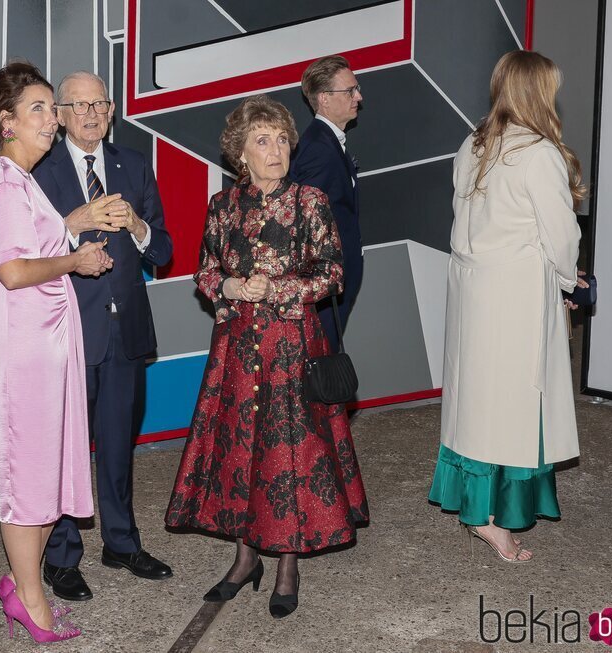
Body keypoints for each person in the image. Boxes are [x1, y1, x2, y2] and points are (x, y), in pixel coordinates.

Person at [165, 95, 369, 619]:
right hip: (236, 349)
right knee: (242, 452)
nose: (275, 149)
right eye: (263, 141)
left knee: (289, 457)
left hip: (292, 348)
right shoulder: (222, 206)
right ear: (241, 153)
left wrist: (276, 289)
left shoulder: (310, 201)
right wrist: (233, 285)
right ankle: (244, 558)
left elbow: (332, 274)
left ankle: (286, 563)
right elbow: (205, 273)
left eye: (281, 139)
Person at [429, 51, 588, 563]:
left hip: (473, 289)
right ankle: (493, 517)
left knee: (478, 402)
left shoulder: (472, 144)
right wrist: (570, 279)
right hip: (516, 292)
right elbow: (561, 233)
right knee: (514, 405)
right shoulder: (538, 152)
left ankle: (476, 503)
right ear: (538, 92)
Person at [0, 61, 110, 643]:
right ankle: (29, 598)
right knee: (27, 477)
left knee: (46, 471)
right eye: (37, 109)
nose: (52, 120)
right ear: (6, 121)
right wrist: (75, 260)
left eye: (52, 109)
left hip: (46, 339)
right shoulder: (4, 182)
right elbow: (12, 269)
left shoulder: (25, 180)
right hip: (23, 345)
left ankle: (21, 586)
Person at [32, 71, 174, 602]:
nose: (92, 114)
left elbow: (162, 250)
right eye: (80, 105)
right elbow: (24, 254)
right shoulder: (38, 170)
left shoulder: (133, 164)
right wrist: (76, 222)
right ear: (61, 114)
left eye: (101, 104)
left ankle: (121, 542)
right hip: (66, 330)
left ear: (111, 111)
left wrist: (138, 226)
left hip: (125, 331)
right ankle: (62, 556)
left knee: (118, 446)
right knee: (64, 450)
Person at [290, 55, 364, 354]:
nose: (359, 97)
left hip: (334, 281)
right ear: (324, 99)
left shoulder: (327, 142)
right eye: (350, 91)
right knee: (320, 359)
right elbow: (306, 221)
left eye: (357, 88)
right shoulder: (318, 149)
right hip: (326, 285)